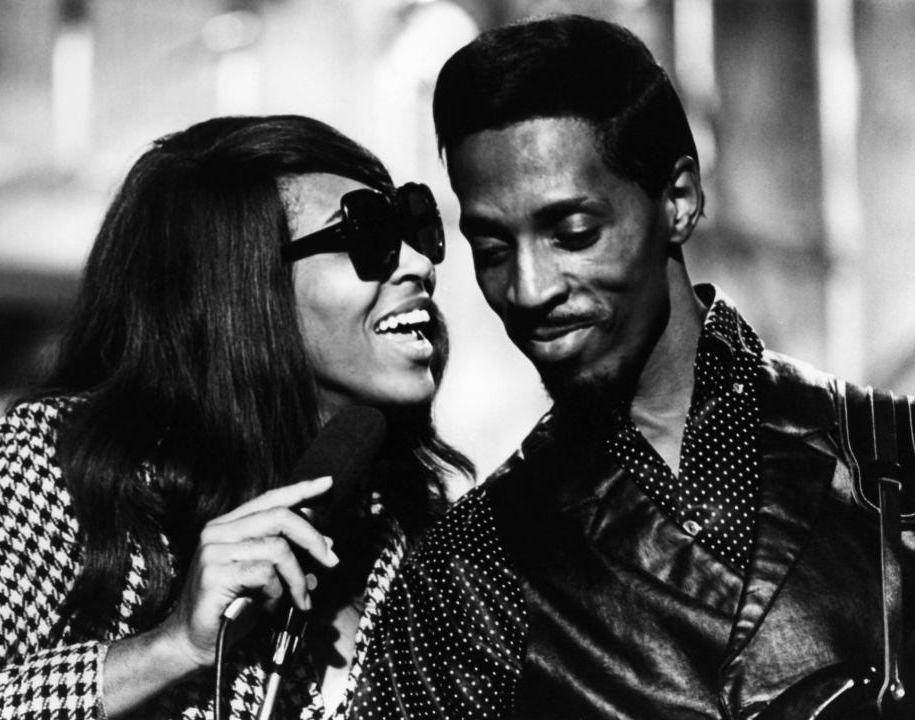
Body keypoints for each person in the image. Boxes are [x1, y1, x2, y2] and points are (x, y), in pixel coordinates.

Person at [348, 14, 915, 720]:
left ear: (677, 200)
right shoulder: (467, 570)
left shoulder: (894, 455)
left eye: (572, 234)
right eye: (492, 248)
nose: (529, 288)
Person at [0, 114, 472, 719]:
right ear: (241, 285)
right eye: (366, 236)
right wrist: (171, 647)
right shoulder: (66, 467)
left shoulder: (414, 530)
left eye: (413, 228)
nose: (417, 265)